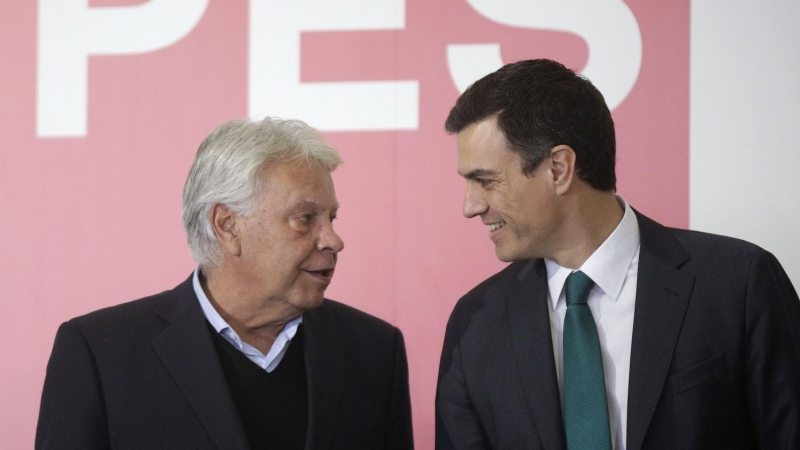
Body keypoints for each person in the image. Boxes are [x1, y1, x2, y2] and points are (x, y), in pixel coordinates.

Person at [435, 59, 800, 450]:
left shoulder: (738, 285)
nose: (471, 207)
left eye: (485, 181)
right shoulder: (475, 324)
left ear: (559, 168)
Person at [36, 117, 414, 450]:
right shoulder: (100, 353)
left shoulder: (375, 351)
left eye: (331, 218)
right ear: (227, 225)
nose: (333, 240)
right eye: (305, 218)